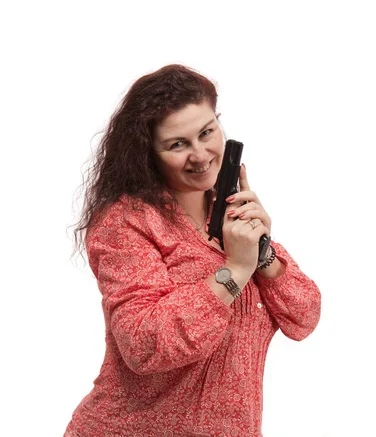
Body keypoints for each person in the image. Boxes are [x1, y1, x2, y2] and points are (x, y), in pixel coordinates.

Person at [65, 64, 321, 437]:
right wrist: (234, 270)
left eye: (206, 132)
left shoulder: (230, 212)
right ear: (148, 153)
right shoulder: (126, 223)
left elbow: (304, 318)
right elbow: (144, 344)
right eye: (177, 144)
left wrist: (261, 253)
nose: (201, 155)